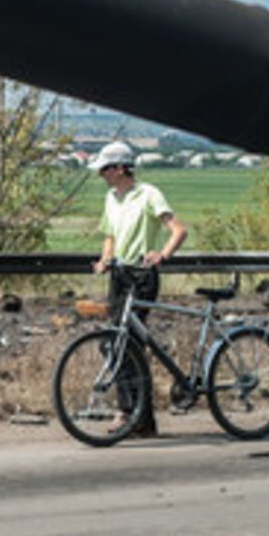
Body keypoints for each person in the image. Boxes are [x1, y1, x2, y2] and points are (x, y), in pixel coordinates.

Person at [88, 141, 188, 436]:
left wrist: (162, 255)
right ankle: (138, 416)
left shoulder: (148, 194)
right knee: (114, 342)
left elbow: (178, 230)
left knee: (128, 343)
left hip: (142, 276)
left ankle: (131, 414)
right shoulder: (111, 198)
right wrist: (105, 259)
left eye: (105, 169)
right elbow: (110, 235)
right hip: (119, 274)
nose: (101, 175)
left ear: (120, 168)